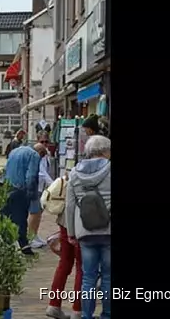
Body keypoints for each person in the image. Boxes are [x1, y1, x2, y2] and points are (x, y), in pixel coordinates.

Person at [66, 135, 111, 319]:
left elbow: (69, 205)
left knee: (88, 277)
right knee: (108, 277)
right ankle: (107, 314)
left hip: (85, 231)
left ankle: (86, 315)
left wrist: (71, 232)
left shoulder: (74, 173)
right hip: (109, 232)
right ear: (105, 151)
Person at [45, 172, 83, 319]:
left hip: (65, 221)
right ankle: (77, 310)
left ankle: (53, 305)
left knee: (65, 263)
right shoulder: (105, 171)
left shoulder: (74, 171)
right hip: (84, 224)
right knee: (82, 267)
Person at [1, 144, 41, 256]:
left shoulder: (14, 151)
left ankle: (6, 244)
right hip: (20, 189)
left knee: (7, 216)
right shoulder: (34, 155)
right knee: (21, 218)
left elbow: (6, 169)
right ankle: (24, 246)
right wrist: (31, 194)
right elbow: (31, 175)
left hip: (8, 187)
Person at [29, 138, 54, 249]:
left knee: (39, 212)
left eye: (46, 142)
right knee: (35, 213)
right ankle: (30, 237)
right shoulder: (35, 157)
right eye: (42, 142)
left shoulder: (45, 156)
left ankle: (35, 235)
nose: (44, 144)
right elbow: (42, 173)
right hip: (36, 188)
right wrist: (54, 184)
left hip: (42, 187)